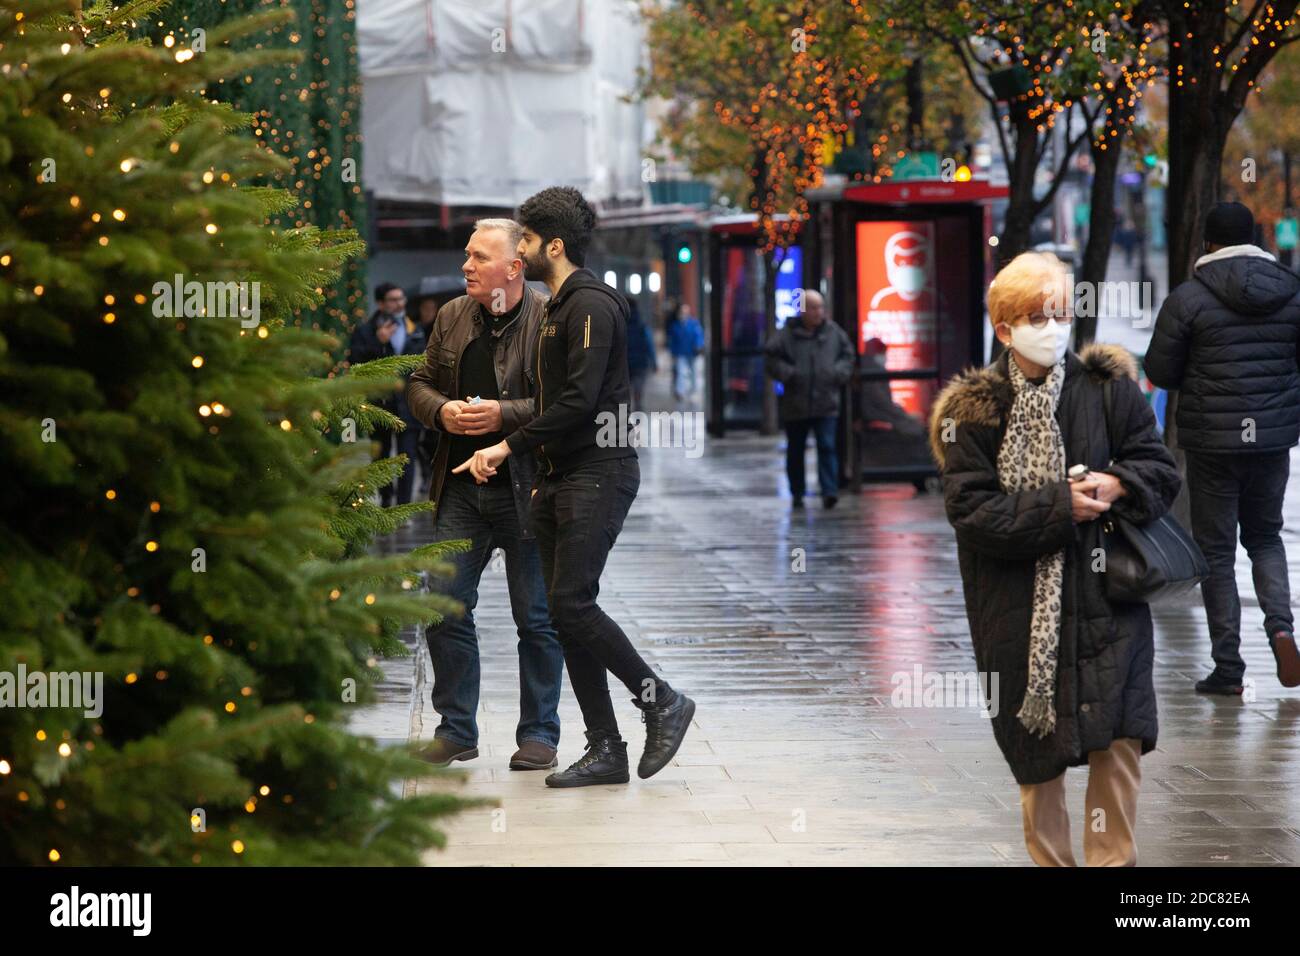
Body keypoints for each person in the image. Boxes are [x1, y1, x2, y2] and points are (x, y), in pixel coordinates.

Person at [931, 251, 1181, 867]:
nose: (1052, 327)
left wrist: (1118, 485)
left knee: (1118, 742)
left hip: (1108, 600)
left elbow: (1158, 467)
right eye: (1037, 317)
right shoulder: (973, 410)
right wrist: (1057, 506)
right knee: (1036, 755)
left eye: (1061, 314)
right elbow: (971, 512)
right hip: (1016, 609)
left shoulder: (1107, 387)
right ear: (1004, 328)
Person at [453, 187, 696, 788]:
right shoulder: (558, 307)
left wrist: (508, 446)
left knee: (569, 604)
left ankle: (660, 700)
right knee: (565, 613)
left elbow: (577, 401)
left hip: (601, 472)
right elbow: (557, 402)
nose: (523, 248)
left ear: (552, 245)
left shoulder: (589, 305)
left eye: (528, 240)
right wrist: (541, 475)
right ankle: (606, 748)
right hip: (563, 477)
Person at [405, 219, 564, 771]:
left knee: (537, 617)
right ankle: (456, 730)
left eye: (478, 257)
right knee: (443, 606)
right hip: (459, 488)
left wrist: (504, 415)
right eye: (466, 256)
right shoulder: (451, 316)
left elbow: (566, 403)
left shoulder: (549, 318)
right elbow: (418, 384)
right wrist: (440, 411)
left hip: (529, 488)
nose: (465, 266)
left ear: (514, 268)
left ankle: (540, 733)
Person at [1144, 201, 1300, 694]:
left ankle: (1229, 668)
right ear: (1254, 237)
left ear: (1208, 242)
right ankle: (1280, 629)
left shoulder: (1188, 299)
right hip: (1272, 440)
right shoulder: (1292, 292)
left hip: (1212, 443)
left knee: (1216, 552)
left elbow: (1160, 372)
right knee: (1266, 538)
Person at [763, 290, 854, 509]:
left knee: (827, 446)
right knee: (796, 449)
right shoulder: (787, 334)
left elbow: (847, 356)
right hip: (797, 403)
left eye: (820, 307)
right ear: (802, 309)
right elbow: (771, 357)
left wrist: (837, 373)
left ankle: (829, 490)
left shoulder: (833, 332)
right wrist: (789, 374)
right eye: (813, 307)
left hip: (826, 401)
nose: (818, 312)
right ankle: (797, 492)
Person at [348, 282, 427, 506]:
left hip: (409, 405)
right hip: (379, 404)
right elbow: (355, 363)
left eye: (401, 299)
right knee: (380, 457)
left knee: (407, 456)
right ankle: (385, 499)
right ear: (381, 303)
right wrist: (378, 342)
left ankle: (403, 506)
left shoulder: (415, 329)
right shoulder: (365, 330)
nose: (399, 304)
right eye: (393, 300)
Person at [625, 296, 657, 411]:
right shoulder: (642, 326)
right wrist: (654, 362)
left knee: (626, 387)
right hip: (640, 362)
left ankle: (626, 407)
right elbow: (649, 345)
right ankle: (638, 405)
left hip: (625, 363)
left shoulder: (620, 325)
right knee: (638, 386)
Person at [667, 303, 704, 401]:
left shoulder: (694, 323)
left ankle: (693, 390)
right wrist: (673, 353)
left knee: (694, 373)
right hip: (681, 352)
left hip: (692, 352)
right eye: (682, 312)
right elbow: (672, 341)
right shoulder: (675, 326)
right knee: (681, 372)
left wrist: (699, 346)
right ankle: (680, 392)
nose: (683, 313)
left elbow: (698, 336)